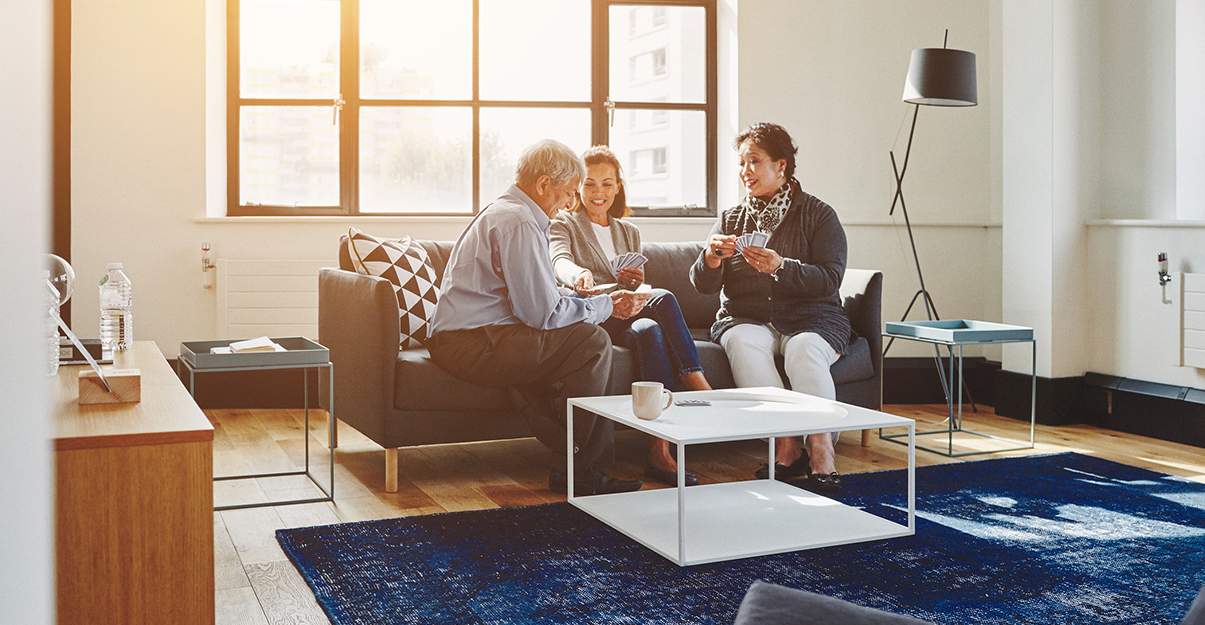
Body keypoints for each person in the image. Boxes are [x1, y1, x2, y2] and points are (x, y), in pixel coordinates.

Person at [427, 139, 651, 496]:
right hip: (470, 343)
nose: (569, 204)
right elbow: (541, 313)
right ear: (543, 184)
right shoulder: (519, 222)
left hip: (473, 337)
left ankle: (568, 450)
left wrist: (582, 299)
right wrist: (608, 305)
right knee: (591, 341)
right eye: (568, 193)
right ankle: (581, 471)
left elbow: (536, 297)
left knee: (577, 335)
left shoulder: (510, 212)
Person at [689, 122, 852, 493]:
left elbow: (830, 278)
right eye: (742, 163)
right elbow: (702, 285)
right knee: (745, 343)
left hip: (813, 317)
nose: (745, 171)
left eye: (754, 162)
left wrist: (782, 267)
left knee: (804, 349)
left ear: (781, 166)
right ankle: (785, 444)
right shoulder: (731, 218)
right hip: (746, 317)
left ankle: (821, 449)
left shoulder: (819, 214)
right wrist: (711, 258)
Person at [549, 145, 714, 486]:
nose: (599, 193)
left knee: (649, 332)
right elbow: (558, 260)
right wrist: (578, 274)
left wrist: (634, 280)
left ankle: (660, 451)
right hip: (594, 314)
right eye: (591, 184)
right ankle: (697, 382)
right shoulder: (563, 223)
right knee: (665, 298)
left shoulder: (629, 232)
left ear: (618, 186)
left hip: (629, 313)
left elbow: (634, 277)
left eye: (607, 184)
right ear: (578, 186)